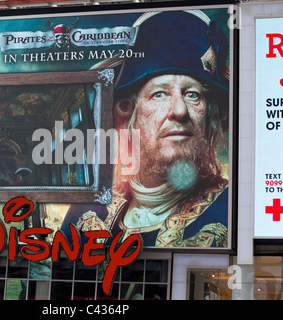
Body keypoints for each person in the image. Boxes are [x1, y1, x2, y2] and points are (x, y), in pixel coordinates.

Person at [61, 10, 230, 248]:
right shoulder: (86, 211)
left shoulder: (231, 208)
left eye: (192, 94)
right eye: (159, 94)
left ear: (209, 115)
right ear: (130, 113)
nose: (179, 110)